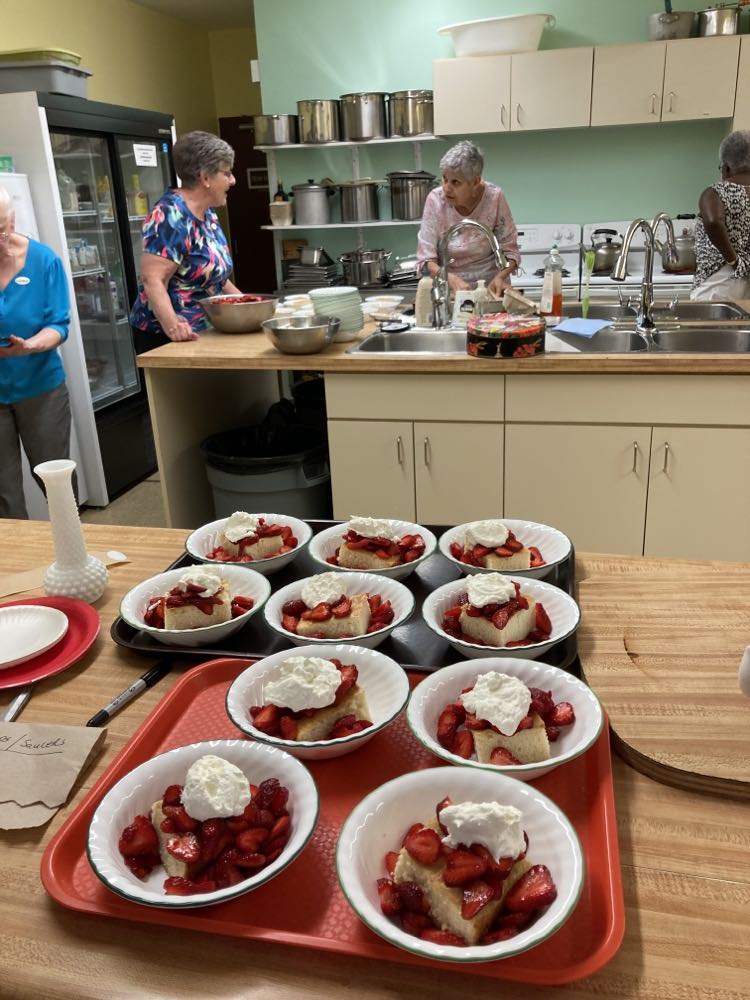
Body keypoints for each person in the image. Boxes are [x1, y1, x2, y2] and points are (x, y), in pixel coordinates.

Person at [129, 130, 242, 349]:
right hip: (170, 338)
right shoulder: (170, 216)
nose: (233, 180)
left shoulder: (207, 212)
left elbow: (213, 276)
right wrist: (173, 326)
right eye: (227, 173)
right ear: (205, 178)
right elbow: (153, 279)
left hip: (205, 329)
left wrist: (249, 305)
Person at [0, 185, 73, 519]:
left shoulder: (43, 260)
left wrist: (29, 346)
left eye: (0, 230)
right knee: (4, 492)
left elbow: (58, 325)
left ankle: (71, 545)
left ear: (12, 221)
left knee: (55, 483)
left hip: (41, 390)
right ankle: (16, 552)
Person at [416, 139, 520, 297]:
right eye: (445, 179)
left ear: (475, 181)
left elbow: (510, 251)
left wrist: (500, 277)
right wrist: (449, 278)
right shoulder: (435, 200)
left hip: (490, 291)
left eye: (455, 182)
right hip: (450, 291)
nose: (446, 188)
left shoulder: (494, 198)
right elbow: (425, 259)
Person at [691, 129, 750, 301]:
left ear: (726, 167)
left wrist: (734, 260)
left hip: (718, 284)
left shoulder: (715, 192)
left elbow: (713, 221)